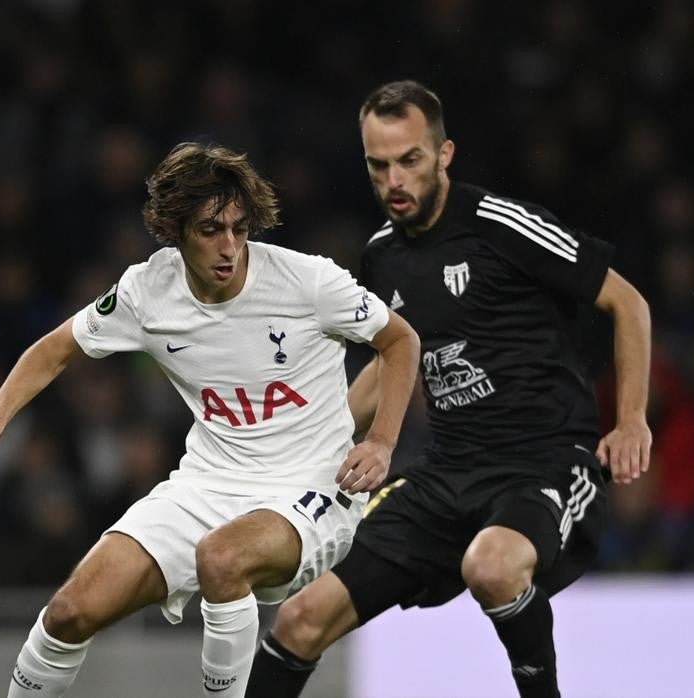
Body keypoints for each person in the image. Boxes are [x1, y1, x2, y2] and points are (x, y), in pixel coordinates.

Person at [0, 142, 420, 698]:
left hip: (313, 488)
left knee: (222, 558)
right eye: (211, 230)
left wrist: (380, 441)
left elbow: (400, 339)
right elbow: (55, 349)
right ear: (176, 230)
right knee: (69, 611)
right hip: (206, 485)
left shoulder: (307, 282)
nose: (229, 246)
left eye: (239, 228)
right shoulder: (146, 291)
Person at [245, 80, 653, 698]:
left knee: (491, 566)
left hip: (542, 461)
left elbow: (628, 303)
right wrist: (313, 441)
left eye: (409, 160)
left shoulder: (502, 226)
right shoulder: (381, 256)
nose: (394, 181)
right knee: (300, 619)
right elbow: (392, 362)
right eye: (378, 166)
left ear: (443, 154)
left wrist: (631, 421)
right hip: (447, 473)